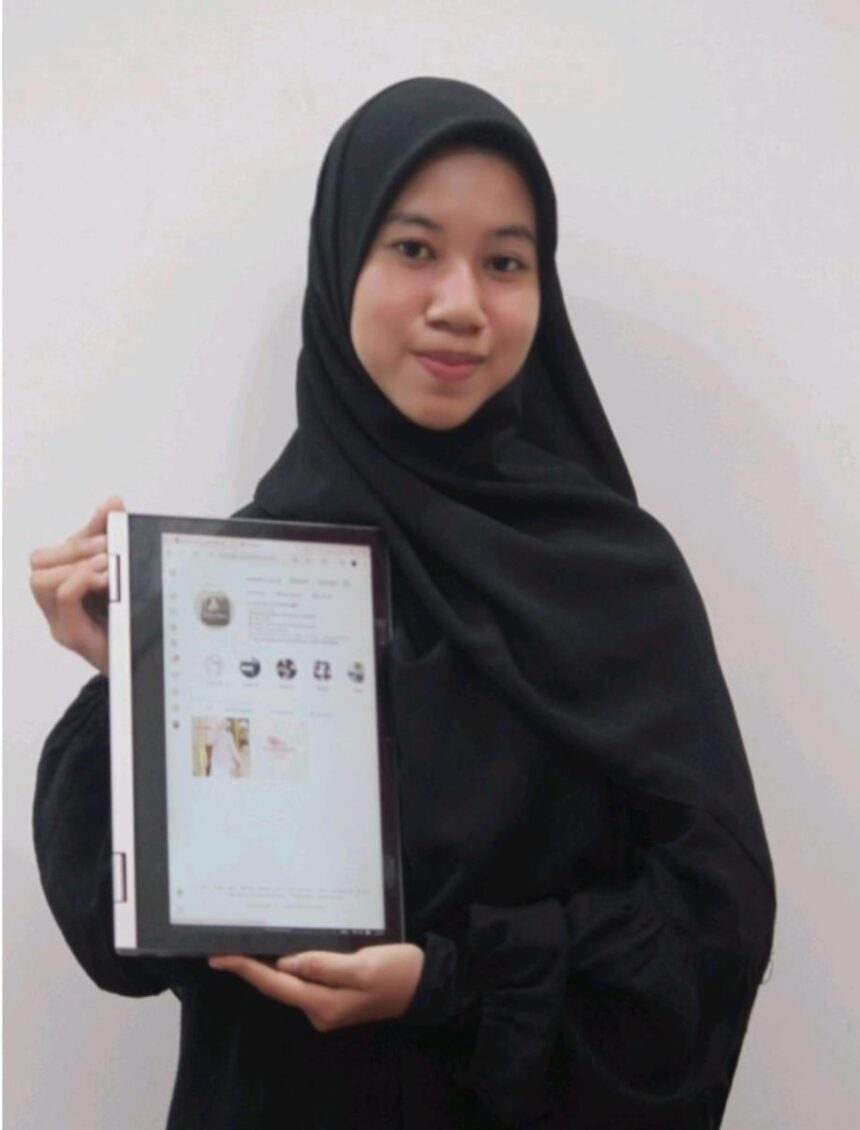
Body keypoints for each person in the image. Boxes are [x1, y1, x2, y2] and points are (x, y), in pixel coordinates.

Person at [29, 77, 776, 1129]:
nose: (460, 302)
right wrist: (144, 681)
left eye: (505, 262)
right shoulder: (237, 583)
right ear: (342, 263)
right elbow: (125, 950)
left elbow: (712, 926)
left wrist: (451, 984)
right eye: (415, 248)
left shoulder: (615, 580)